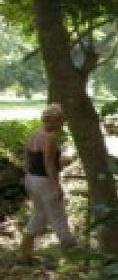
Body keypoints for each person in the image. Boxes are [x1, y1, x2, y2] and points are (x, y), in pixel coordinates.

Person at [19, 104, 76, 262]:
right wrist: (57, 186)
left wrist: (28, 174)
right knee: (59, 217)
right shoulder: (49, 138)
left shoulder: (34, 133)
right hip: (44, 181)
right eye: (60, 121)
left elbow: (27, 156)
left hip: (31, 179)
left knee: (39, 215)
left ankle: (25, 251)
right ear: (53, 121)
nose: (62, 124)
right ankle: (72, 255)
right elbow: (48, 164)